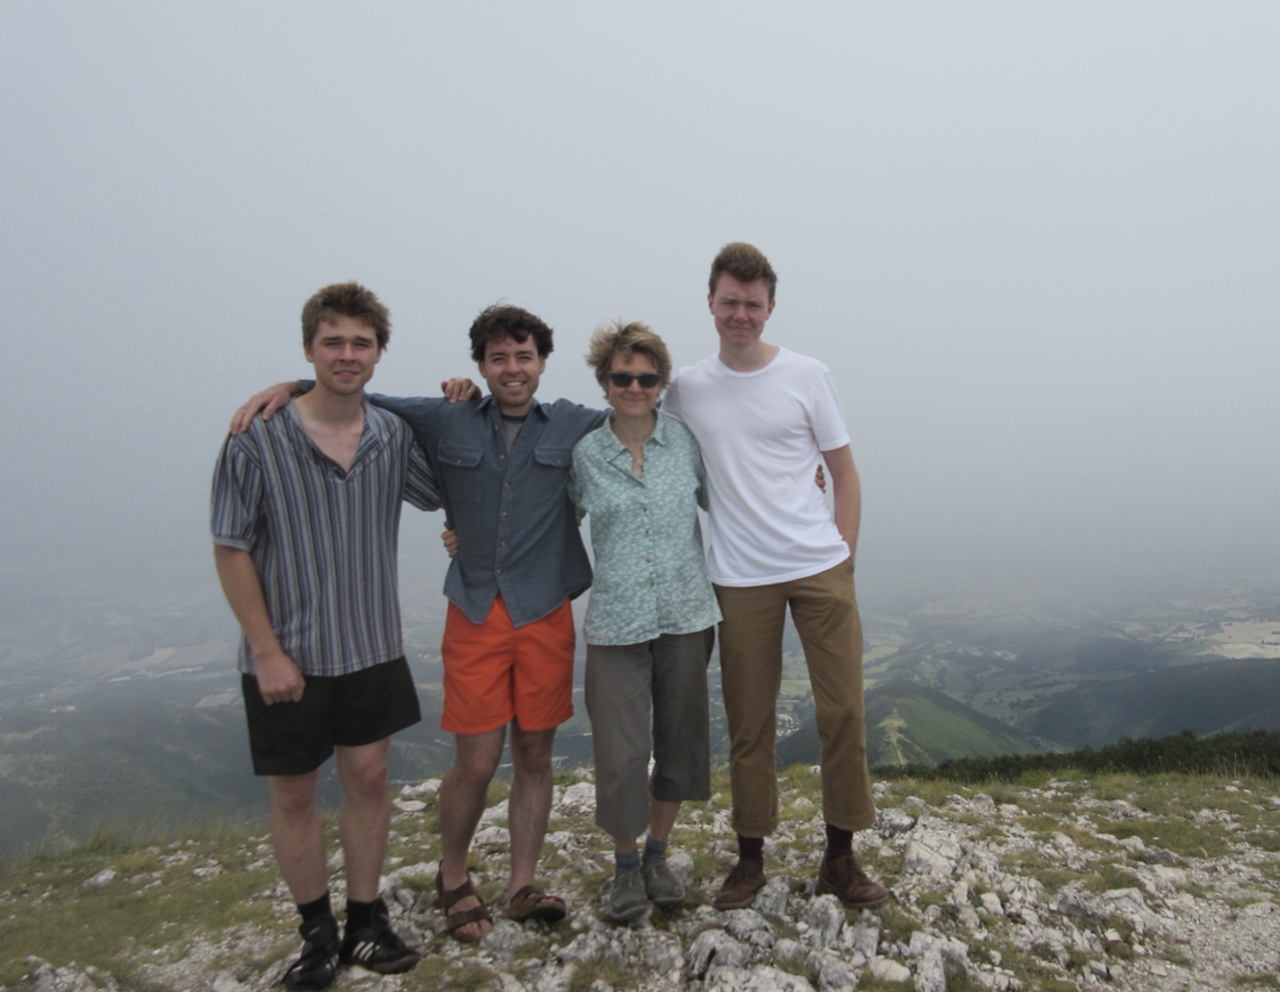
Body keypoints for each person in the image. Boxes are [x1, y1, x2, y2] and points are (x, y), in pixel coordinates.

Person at [231, 305, 607, 942]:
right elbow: (354, 391)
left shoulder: (576, 423)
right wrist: (290, 387)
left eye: (523, 357)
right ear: (480, 367)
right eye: (498, 358)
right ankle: (454, 876)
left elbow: (646, 410)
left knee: (536, 754)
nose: (512, 369)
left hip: (546, 611)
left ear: (543, 361)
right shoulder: (446, 415)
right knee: (477, 760)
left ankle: (521, 883)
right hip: (476, 611)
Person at [212, 283, 437, 990]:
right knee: (295, 795)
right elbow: (230, 546)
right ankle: (317, 933)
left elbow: (441, 488)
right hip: (288, 656)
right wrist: (268, 650)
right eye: (332, 342)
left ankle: (366, 921)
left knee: (369, 781)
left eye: (360, 343)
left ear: (378, 353)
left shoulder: (391, 437)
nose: (347, 354)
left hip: (370, 643)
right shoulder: (257, 438)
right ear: (309, 348)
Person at [662, 243, 890, 911]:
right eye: (729, 301)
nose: (740, 314)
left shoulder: (807, 375)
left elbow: (843, 472)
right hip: (738, 575)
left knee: (843, 712)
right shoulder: (684, 388)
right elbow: (635, 434)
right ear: (709, 302)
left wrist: (843, 560)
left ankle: (840, 857)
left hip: (819, 566)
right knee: (749, 721)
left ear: (770, 307)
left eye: (752, 304)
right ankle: (749, 856)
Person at [564, 321, 720, 924]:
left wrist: (811, 479)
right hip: (616, 625)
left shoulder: (685, 444)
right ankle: (625, 866)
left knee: (678, 742)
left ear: (661, 383)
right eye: (622, 376)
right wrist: (460, 534)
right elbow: (544, 520)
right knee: (621, 752)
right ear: (604, 381)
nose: (634, 386)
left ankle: (659, 856)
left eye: (647, 377)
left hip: (686, 615)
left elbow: (736, 494)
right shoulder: (584, 454)